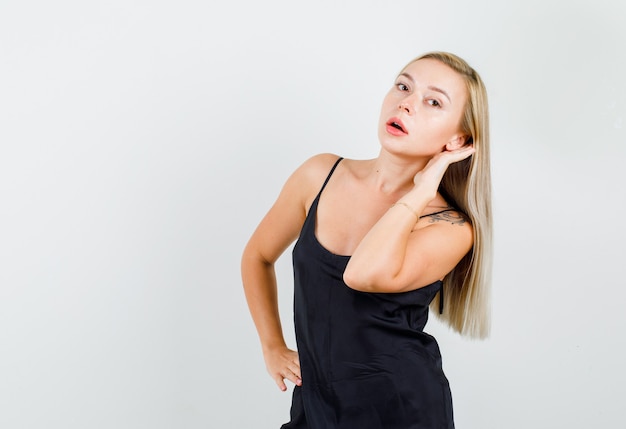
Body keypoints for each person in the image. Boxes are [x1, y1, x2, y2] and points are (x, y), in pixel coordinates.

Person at [241, 51, 492, 429]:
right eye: (403, 86)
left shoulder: (451, 228)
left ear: (457, 140)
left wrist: (422, 192)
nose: (406, 103)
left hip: (401, 411)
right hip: (316, 407)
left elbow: (361, 274)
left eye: (433, 102)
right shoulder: (319, 175)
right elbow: (257, 256)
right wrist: (272, 345)